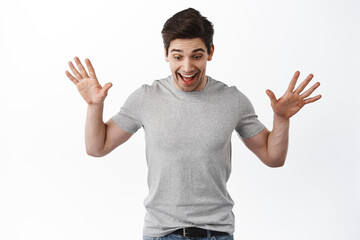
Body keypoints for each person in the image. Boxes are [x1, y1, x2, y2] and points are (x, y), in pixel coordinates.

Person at [65, 8, 321, 240]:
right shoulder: (146, 97)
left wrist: (281, 119)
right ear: (166, 54)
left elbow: (273, 157)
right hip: (162, 234)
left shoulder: (232, 100)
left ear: (210, 52)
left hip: (217, 233)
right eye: (178, 56)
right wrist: (94, 106)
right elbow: (97, 147)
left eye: (196, 56)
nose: (187, 67)